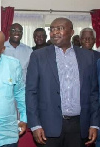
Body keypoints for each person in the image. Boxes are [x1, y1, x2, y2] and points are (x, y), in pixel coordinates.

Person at [26, 17, 99, 147]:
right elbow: (31, 92)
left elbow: (93, 93)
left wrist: (94, 124)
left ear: (71, 32)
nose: (54, 32)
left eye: (59, 28)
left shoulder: (88, 57)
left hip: (79, 126)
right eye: (52, 29)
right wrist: (35, 125)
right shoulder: (38, 56)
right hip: (48, 126)